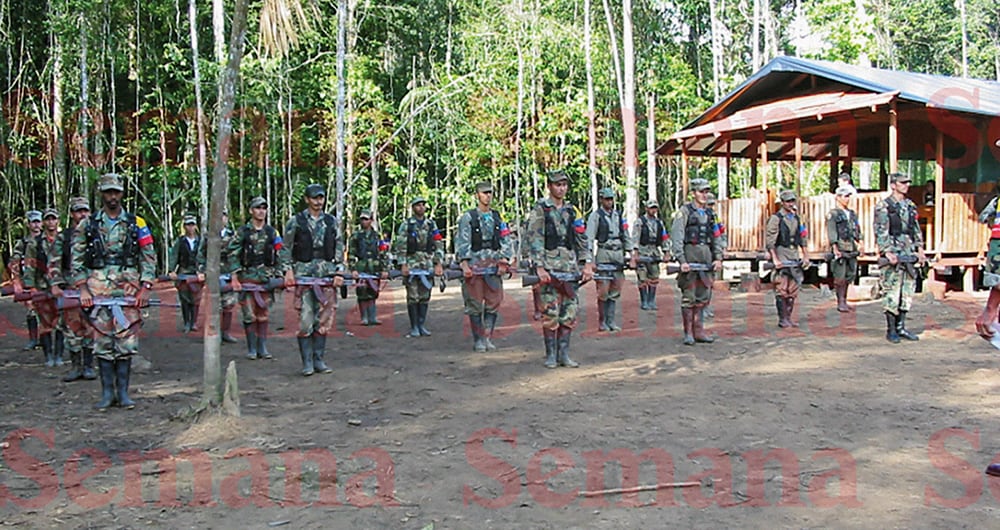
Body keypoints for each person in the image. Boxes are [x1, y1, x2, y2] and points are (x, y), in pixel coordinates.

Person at [70, 173, 157, 411]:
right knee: (101, 341)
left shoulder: (136, 222)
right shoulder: (88, 224)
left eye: (115, 192)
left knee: (126, 340)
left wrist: (145, 286)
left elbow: (149, 256)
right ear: (101, 194)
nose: (112, 197)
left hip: (127, 288)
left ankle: (124, 393)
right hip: (98, 289)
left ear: (121, 193)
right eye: (108, 192)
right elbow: (76, 259)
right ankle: (107, 393)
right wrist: (82, 287)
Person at [524, 170, 594, 368]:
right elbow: (535, 238)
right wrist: (539, 267)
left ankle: (564, 354)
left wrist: (587, 263)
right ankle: (551, 355)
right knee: (550, 314)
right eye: (557, 185)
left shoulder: (573, 211)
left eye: (564, 184)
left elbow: (581, 238)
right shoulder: (541, 209)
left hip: (569, 269)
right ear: (549, 186)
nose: (561, 188)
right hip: (549, 268)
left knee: (569, 313)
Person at [281, 184, 344, 376]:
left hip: (326, 275)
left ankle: (319, 360)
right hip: (304, 275)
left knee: (324, 320)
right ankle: (306, 362)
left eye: (321, 198)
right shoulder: (296, 222)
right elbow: (286, 248)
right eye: (314, 198)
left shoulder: (331, 221)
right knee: (306, 321)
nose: (318, 202)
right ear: (307, 199)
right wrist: (288, 271)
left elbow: (339, 247)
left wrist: (339, 271)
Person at [454, 181, 514, 352]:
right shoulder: (468, 217)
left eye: (490, 193)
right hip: (475, 264)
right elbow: (462, 241)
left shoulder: (497, 217)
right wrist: (464, 263)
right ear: (477, 195)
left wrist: (504, 260)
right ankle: (478, 339)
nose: (488, 196)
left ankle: (487, 336)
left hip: (493, 264)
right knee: (474, 303)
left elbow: (505, 239)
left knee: (493, 302)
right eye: (484, 193)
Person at [227, 197, 285, 361]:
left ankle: (262, 347)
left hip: (266, 278)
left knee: (264, 314)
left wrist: (281, 274)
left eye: (264, 208)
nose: (261, 211)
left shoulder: (272, 232)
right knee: (248, 315)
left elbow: (280, 252)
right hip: (247, 277)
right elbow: (232, 253)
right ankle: (251, 348)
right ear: (251, 210)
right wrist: (234, 276)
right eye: (258, 208)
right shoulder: (243, 232)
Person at [670, 178, 724, 345]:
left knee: (703, 296)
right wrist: (681, 259)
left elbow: (716, 237)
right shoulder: (684, 212)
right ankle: (688, 333)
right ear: (693, 193)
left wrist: (718, 257)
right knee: (689, 296)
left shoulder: (710, 214)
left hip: (706, 257)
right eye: (701, 192)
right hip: (690, 256)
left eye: (706, 192)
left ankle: (699, 330)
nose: (704, 195)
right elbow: (677, 236)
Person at [874, 172, 927, 343]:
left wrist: (920, 249)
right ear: (893, 185)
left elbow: (915, 229)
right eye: (902, 182)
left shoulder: (910, 205)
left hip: (908, 251)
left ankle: (901, 327)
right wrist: (886, 251)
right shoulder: (884, 206)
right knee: (892, 290)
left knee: (907, 291)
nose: (906, 185)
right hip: (893, 250)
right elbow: (880, 230)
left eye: (907, 182)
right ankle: (891, 329)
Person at [586, 187, 636, 332]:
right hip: (604, 253)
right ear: (601, 200)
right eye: (607, 199)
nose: (610, 202)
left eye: (611, 199)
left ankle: (611, 320)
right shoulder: (596, 216)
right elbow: (589, 239)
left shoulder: (619, 216)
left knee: (615, 288)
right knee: (603, 289)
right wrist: (590, 261)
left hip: (618, 254)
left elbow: (626, 235)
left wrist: (631, 255)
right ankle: (602, 322)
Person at [393, 197, 444, 338]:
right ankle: (414, 326)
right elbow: (401, 245)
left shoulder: (431, 224)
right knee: (413, 296)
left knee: (425, 296)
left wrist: (438, 262)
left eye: (423, 205)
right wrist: (402, 263)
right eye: (418, 205)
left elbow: (438, 243)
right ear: (413, 208)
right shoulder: (407, 225)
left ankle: (421, 325)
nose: (421, 207)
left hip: (427, 263)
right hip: (411, 262)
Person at [59, 198, 96, 381]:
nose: (82, 214)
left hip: (92, 286)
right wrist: (56, 285)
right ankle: (75, 366)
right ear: (72, 214)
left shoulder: (95, 234)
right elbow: (54, 263)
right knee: (72, 327)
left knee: (90, 325)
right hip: (70, 288)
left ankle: (88, 366)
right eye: (78, 211)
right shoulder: (64, 237)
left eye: (85, 211)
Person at [22, 208, 64, 366]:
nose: (51, 222)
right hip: (42, 286)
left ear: (58, 221)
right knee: (45, 323)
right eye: (48, 219)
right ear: (44, 222)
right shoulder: (36, 242)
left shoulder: (63, 239)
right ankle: (48, 356)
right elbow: (29, 265)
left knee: (61, 323)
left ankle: (59, 355)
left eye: (53, 219)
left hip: (61, 287)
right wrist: (30, 287)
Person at [765, 190, 811, 328]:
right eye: (788, 201)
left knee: (793, 288)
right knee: (782, 287)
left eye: (792, 201)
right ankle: (782, 318)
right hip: (781, 253)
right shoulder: (776, 218)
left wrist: (806, 255)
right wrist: (775, 259)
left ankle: (789, 317)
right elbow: (770, 240)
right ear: (783, 203)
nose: (791, 204)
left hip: (794, 255)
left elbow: (803, 237)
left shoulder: (797, 218)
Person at [197, 210, 239, 343]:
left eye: (224, 216)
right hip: (212, 275)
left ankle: (225, 332)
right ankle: (212, 334)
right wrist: (201, 271)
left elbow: (237, 255)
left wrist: (236, 274)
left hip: (227, 275)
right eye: (219, 216)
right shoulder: (208, 236)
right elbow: (201, 255)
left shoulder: (233, 236)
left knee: (228, 305)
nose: (222, 219)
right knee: (213, 306)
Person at [8, 210, 43, 350]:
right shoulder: (23, 243)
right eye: (33, 222)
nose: (36, 225)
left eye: (38, 222)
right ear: (28, 224)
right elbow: (14, 261)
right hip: (29, 280)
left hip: (46, 280)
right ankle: (33, 339)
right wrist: (16, 281)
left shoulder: (48, 240)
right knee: (31, 310)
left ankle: (46, 339)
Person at [348, 210, 390, 326]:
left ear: (371, 220)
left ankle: (372, 317)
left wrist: (384, 268)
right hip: (361, 266)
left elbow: (383, 252)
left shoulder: (377, 236)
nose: (364, 221)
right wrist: (353, 269)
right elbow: (351, 253)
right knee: (362, 292)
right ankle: (364, 317)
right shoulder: (356, 236)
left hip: (375, 267)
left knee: (373, 291)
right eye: (362, 219)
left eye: (366, 219)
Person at [826, 184, 862, 312]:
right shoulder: (833, 214)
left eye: (848, 196)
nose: (847, 199)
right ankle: (840, 301)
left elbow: (856, 228)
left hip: (851, 246)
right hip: (840, 245)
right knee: (839, 276)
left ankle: (845, 300)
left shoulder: (852, 214)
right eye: (845, 196)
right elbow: (832, 231)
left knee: (850, 274)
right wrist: (835, 247)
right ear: (838, 197)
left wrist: (860, 241)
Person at [632, 199, 669, 311]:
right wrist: (635, 254)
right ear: (646, 208)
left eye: (655, 208)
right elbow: (635, 238)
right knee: (642, 278)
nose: (653, 210)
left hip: (654, 252)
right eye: (651, 208)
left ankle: (651, 300)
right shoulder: (640, 222)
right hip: (643, 250)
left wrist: (666, 251)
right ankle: (644, 301)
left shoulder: (659, 223)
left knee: (654, 277)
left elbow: (664, 237)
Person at [168, 214, 202, 333]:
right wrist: (171, 270)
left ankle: (194, 322)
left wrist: (202, 271)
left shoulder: (201, 241)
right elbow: (174, 256)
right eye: (188, 225)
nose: (190, 227)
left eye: (192, 225)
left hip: (197, 272)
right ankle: (187, 322)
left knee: (196, 298)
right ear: (184, 226)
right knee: (184, 298)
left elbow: (205, 257)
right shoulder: (180, 241)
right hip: (183, 271)